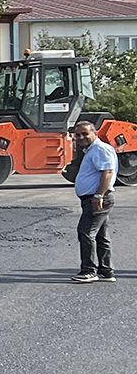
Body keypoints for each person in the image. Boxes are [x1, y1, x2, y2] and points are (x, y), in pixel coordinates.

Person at [70, 120, 117, 283]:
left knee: (85, 232)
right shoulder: (91, 150)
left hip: (97, 199)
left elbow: (108, 172)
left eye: (85, 133)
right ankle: (106, 271)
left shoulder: (100, 149)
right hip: (94, 198)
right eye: (77, 134)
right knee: (101, 235)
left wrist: (99, 195)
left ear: (94, 133)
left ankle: (89, 270)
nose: (81, 137)